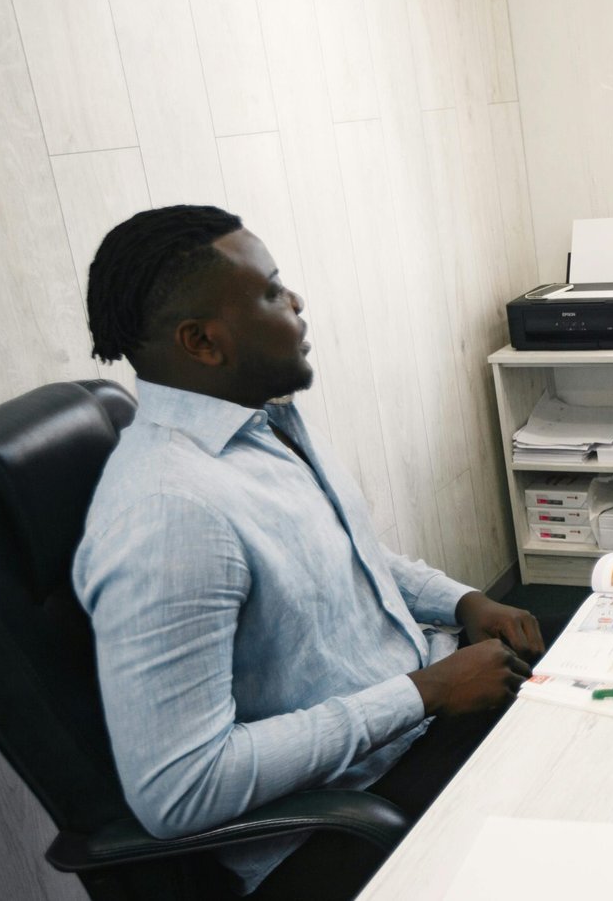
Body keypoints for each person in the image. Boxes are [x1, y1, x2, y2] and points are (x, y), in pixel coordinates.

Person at [75, 205, 544, 899]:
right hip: (345, 825)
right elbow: (179, 788)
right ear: (203, 341)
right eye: (269, 291)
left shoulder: (264, 421)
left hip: (415, 726)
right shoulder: (169, 513)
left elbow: (351, 555)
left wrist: (461, 600)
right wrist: (425, 692)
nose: (295, 302)